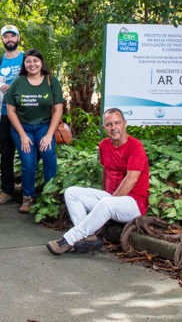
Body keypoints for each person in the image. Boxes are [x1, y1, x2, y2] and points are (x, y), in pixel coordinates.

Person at [47, 108, 150, 255]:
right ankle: (89, 237)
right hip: (110, 198)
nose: (113, 128)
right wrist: (105, 197)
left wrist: (110, 201)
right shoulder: (104, 145)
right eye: (109, 124)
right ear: (104, 128)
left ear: (125, 124)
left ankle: (68, 240)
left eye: (117, 123)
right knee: (71, 193)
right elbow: (105, 172)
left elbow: (131, 179)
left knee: (106, 203)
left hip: (134, 204)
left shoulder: (135, 146)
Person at [5, 49, 63, 213]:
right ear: (24, 64)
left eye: (35, 61)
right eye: (28, 61)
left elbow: (58, 110)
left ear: (41, 63)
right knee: (28, 162)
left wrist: (49, 135)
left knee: (49, 153)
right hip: (22, 128)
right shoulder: (18, 82)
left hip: (44, 126)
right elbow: (11, 111)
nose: (32, 64)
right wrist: (23, 135)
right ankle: (28, 198)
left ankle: (50, 195)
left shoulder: (51, 81)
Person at [0, 25, 24, 205]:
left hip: (24, 113)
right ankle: (6, 190)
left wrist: (14, 87)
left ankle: (28, 194)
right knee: (6, 152)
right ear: (2, 40)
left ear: (18, 38)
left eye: (12, 36)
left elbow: (35, 80)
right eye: (6, 36)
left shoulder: (27, 59)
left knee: (27, 152)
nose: (9, 39)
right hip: (3, 113)